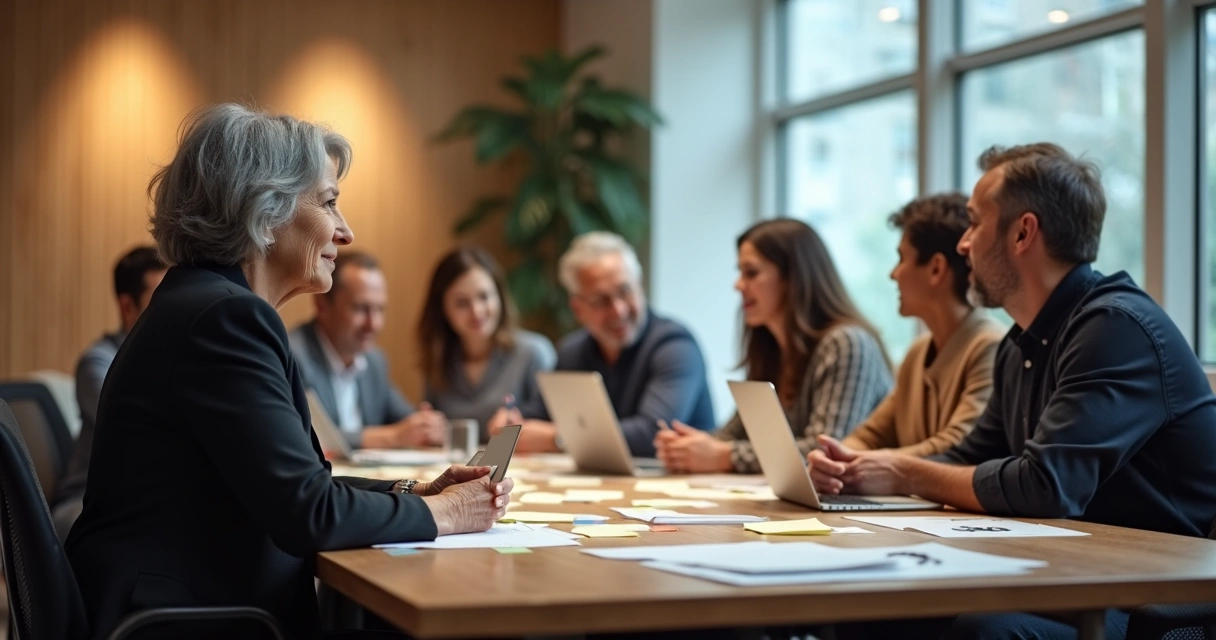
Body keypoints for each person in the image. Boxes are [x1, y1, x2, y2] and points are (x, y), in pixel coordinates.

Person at [65, 104, 512, 640]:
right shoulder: (225, 318)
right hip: (189, 621)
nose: (346, 233)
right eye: (328, 203)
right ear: (265, 207)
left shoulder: (198, 303)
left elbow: (298, 485)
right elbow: (309, 513)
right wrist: (450, 514)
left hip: (177, 604)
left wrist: (416, 493)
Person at [814, 143, 1216, 640]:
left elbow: (1045, 486)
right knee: (872, 610)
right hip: (1067, 570)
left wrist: (901, 471)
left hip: (1148, 596)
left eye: (974, 223)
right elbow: (973, 453)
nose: (963, 245)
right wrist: (865, 473)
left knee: (991, 630)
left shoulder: (1114, 328)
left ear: (1023, 232)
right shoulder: (1020, 342)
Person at [655, 218, 893, 474]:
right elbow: (735, 433)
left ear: (793, 278)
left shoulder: (847, 344)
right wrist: (692, 446)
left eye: (751, 272)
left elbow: (827, 453)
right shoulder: (771, 348)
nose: (737, 285)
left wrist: (726, 457)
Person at [491, 232, 715, 456]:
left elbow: (652, 434)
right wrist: (511, 420)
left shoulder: (675, 346)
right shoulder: (573, 351)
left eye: (625, 291)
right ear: (578, 309)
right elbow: (544, 411)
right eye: (601, 300)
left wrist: (557, 438)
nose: (618, 310)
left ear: (640, 286)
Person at [836, 193, 1005, 457]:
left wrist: (864, 463)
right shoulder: (917, 353)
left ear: (936, 269)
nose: (894, 274)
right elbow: (869, 436)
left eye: (902, 258)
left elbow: (958, 446)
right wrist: (837, 459)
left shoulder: (990, 346)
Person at [51, 246, 167, 542]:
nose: (171, 310)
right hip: (85, 501)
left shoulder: (170, 357)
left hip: (140, 499)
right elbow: (135, 427)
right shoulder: (97, 362)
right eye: (159, 301)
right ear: (127, 307)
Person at [290, 251, 446, 449]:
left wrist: (426, 425)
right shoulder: (293, 355)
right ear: (322, 306)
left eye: (380, 309)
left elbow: (405, 419)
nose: (373, 324)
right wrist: (390, 437)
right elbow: (304, 435)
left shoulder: (374, 361)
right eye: (361, 308)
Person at [417, 245, 555, 442]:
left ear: (499, 296)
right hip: (458, 468)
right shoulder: (439, 358)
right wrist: (429, 429)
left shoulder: (534, 353)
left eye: (484, 296)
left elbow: (558, 427)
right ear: (442, 308)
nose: (477, 311)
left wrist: (524, 426)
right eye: (462, 303)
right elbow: (432, 428)